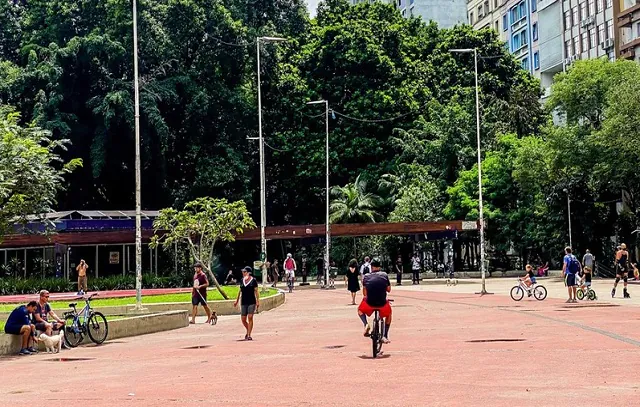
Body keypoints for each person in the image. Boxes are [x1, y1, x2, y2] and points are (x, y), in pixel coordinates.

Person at [357, 260, 392, 344]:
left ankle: (366, 324)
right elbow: (389, 289)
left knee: (360, 310)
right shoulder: (384, 275)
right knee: (389, 315)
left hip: (370, 303)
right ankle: (385, 335)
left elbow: (364, 293)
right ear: (379, 267)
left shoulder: (366, 276)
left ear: (371, 267)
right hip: (382, 303)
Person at [234, 266, 260, 340]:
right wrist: (236, 300)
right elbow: (240, 291)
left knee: (250, 317)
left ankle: (249, 334)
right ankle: (248, 329)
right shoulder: (242, 280)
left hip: (251, 301)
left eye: (245, 272)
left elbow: (256, 291)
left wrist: (258, 301)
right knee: (243, 319)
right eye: (243, 272)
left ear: (248, 273)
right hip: (244, 301)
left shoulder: (253, 280)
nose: (243, 273)